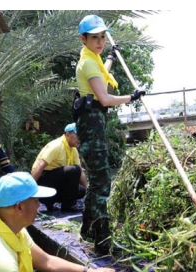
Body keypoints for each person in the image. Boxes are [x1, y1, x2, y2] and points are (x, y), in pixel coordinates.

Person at [75, 14, 145, 254]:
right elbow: (104, 98)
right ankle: (103, 242)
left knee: (96, 183)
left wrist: (111, 57)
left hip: (92, 125)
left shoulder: (92, 59)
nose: (100, 41)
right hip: (92, 126)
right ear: (83, 39)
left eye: (103, 37)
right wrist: (132, 97)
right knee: (102, 183)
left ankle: (87, 230)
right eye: (95, 38)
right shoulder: (87, 62)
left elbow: (101, 78)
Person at [31, 123, 87, 213]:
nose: (80, 138)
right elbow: (40, 166)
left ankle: (54, 203)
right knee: (73, 170)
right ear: (67, 135)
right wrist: (29, 191)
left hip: (55, 183)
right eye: (77, 135)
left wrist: (88, 193)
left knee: (81, 191)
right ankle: (66, 205)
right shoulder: (56, 146)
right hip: (43, 181)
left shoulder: (73, 150)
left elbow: (81, 172)